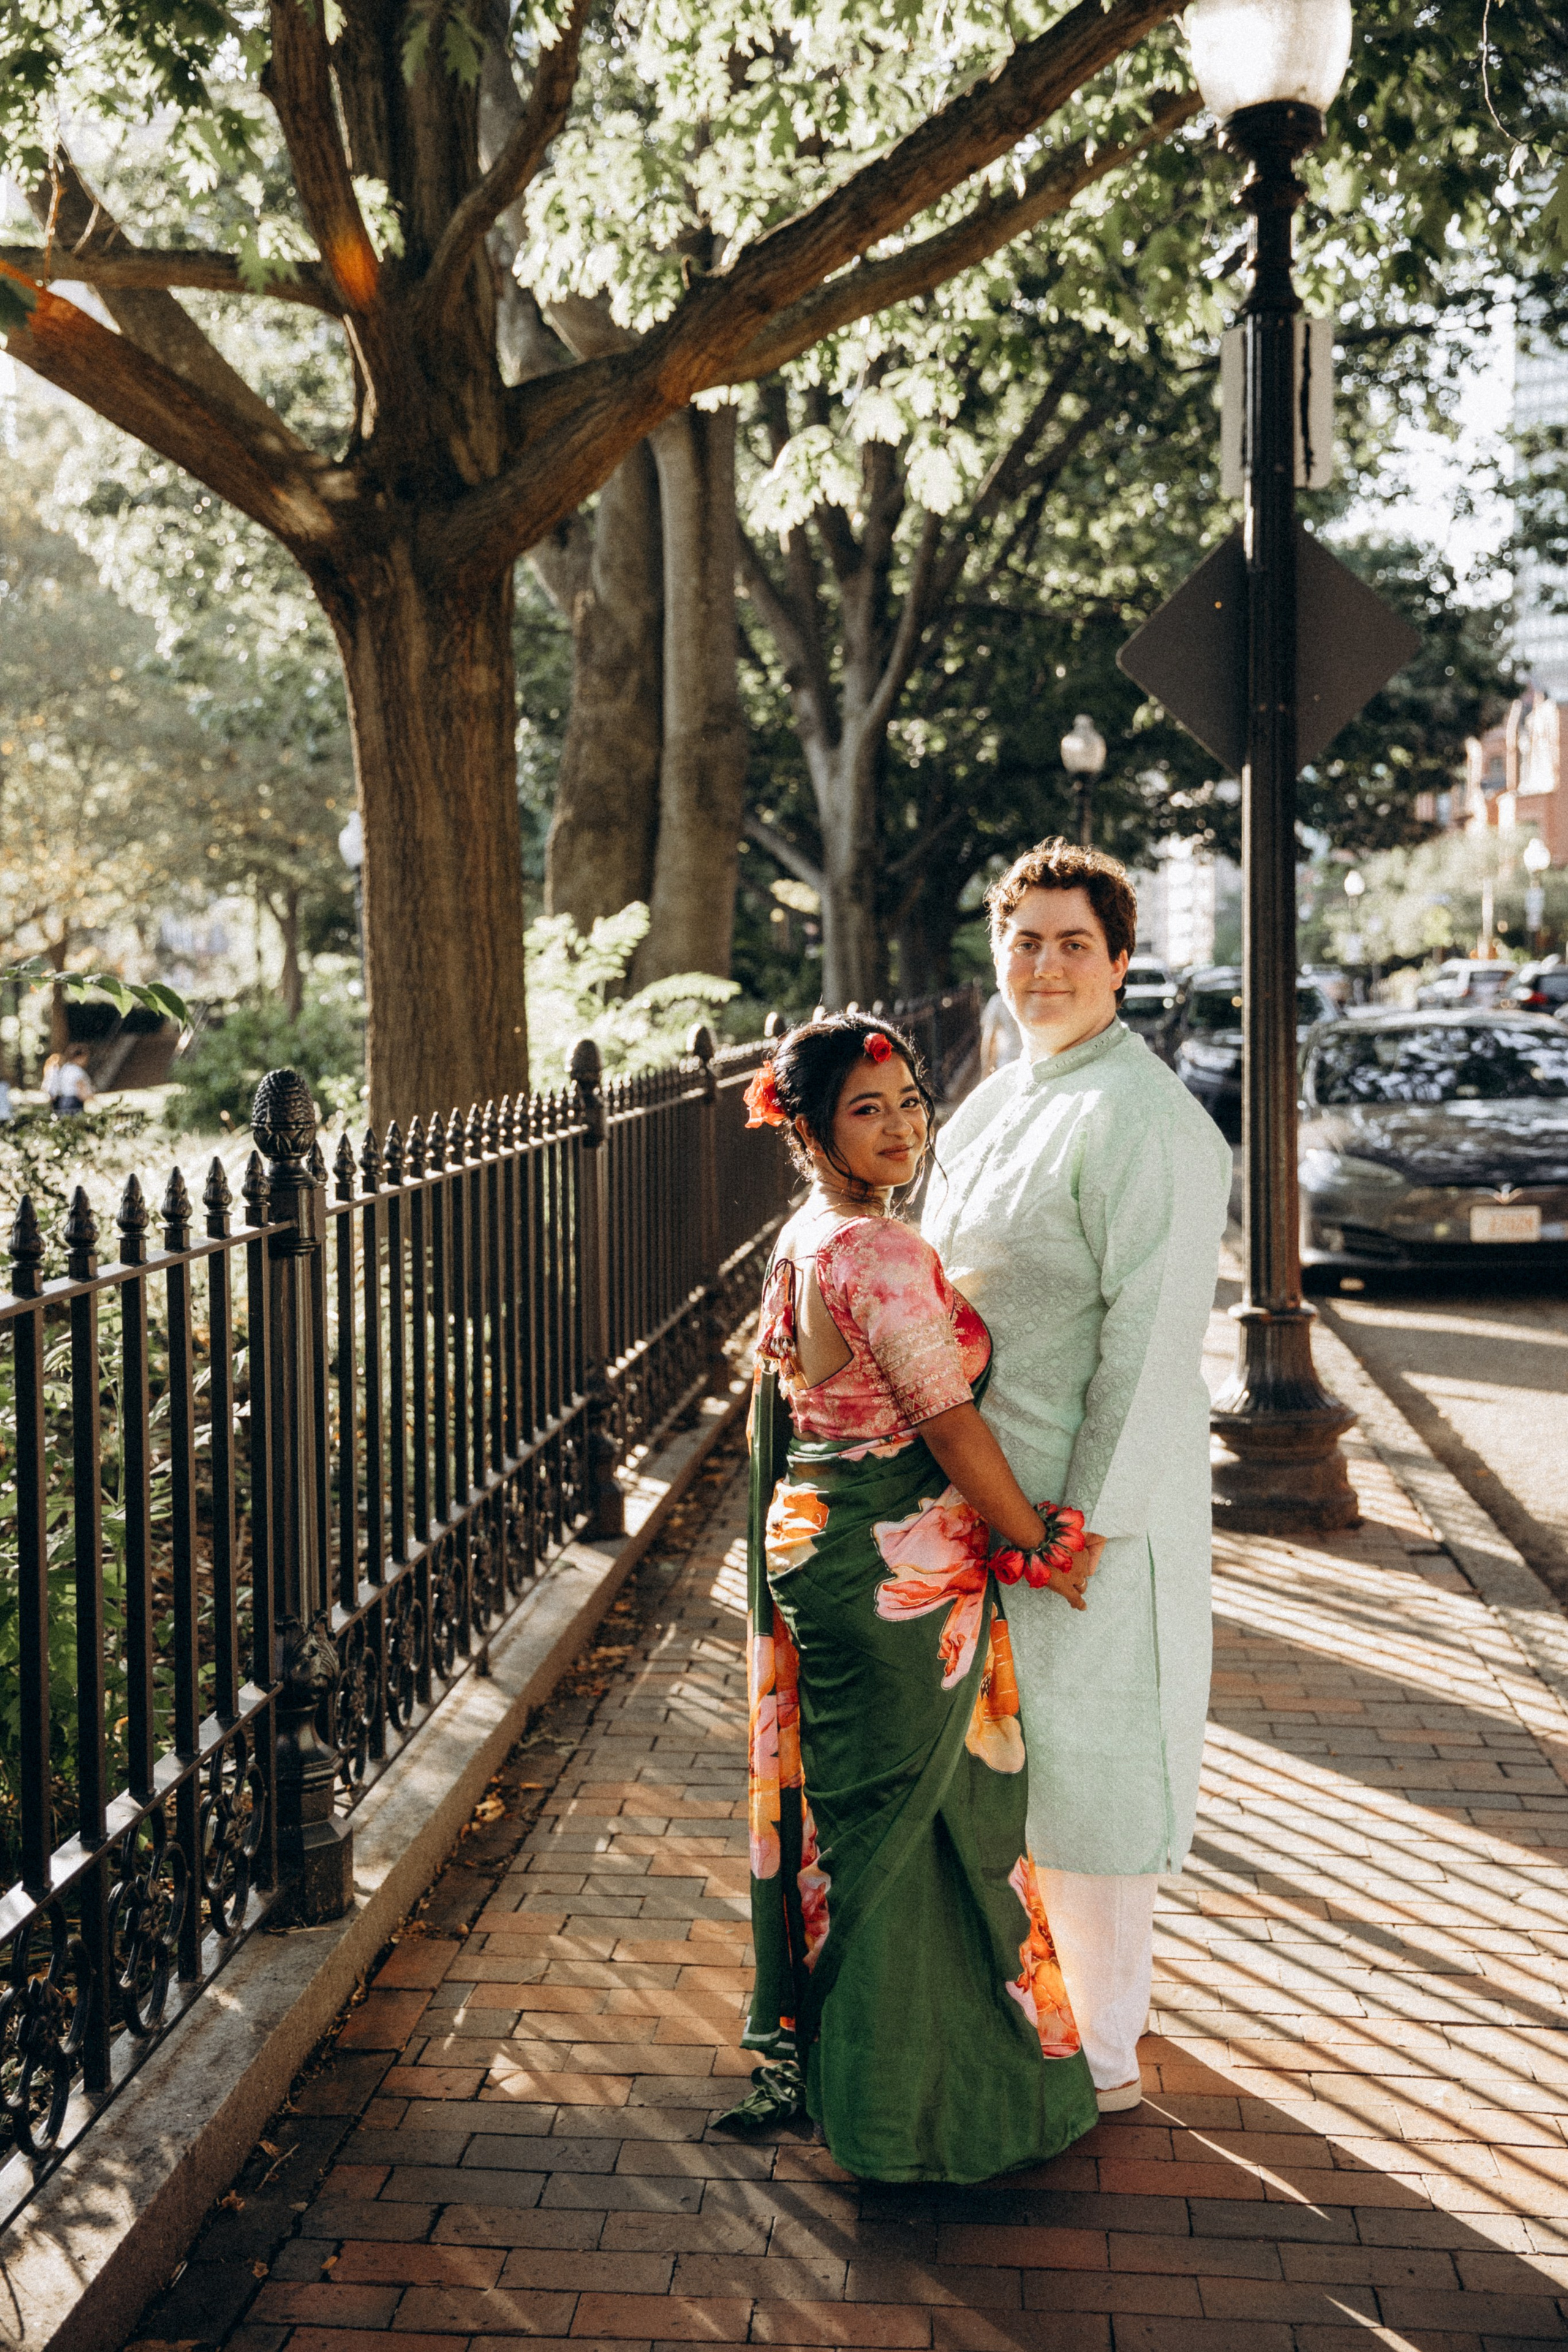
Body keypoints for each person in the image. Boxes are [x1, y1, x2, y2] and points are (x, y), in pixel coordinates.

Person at [727, 1012, 1101, 2182]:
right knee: (907, 1835)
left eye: (907, 1103)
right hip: (893, 1577)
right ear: (811, 1128)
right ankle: (906, 2126)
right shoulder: (876, 1254)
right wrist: (1036, 1535)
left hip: (830, 1550)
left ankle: (884, 2093)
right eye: (865, 1110)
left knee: (879, 1827)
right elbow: (945, 1421)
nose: (899, 1128)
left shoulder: (808, 1236)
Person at [924, 840, 1231, 2113]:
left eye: (1069, 944)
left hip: (1083, 1518)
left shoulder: (1147, 1121)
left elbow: (1152, 1342)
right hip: (979, 1508)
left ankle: (1100, 2054)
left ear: (1118, 962)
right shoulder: (1003, 1095)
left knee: (1095, 1783)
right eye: (1023, 941)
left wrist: (1078, 1521)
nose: (1041, 965)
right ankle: (1031, 2010)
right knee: (1010, 1771)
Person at [979, 987, 1022, 1077]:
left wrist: (985, 1072)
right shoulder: (1034, 998)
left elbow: (990, 1038)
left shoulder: (997, 1001)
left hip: (1007, 1062)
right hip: (1033, 1060)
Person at [42, 1051, 92, 1115]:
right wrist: (92, 1099)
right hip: (74, 1102)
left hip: (62, 1101)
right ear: (79, 1057)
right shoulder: (77, 1070)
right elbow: (81, 1090)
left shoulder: (64, 1069)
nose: (86, 1061)